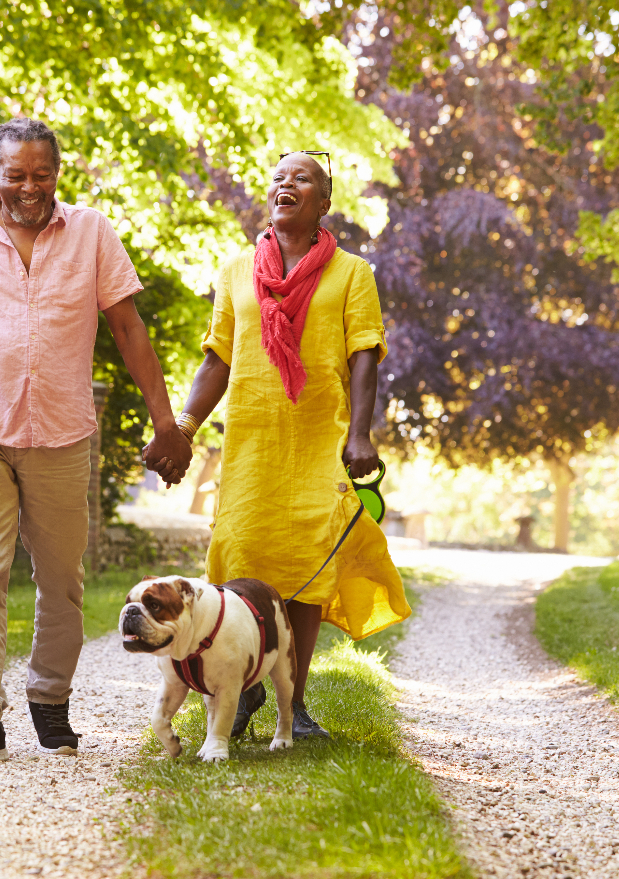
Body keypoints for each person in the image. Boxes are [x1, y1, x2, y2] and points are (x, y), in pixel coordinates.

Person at [0, 118, 192, 762]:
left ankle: (49, 699)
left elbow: (127, 328)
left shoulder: (91, 233)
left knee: (61, 578)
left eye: (42, 174)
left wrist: (164, 422)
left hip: (61, 431)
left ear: (57, 173)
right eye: (15, 175)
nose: (29, 187)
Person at [153, 151, 411, 739]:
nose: (285, 184)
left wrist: (361, 434)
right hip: (252, 443)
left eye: (303, 178)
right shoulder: (236, 270)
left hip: (321, 439)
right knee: (242, 560)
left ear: (324, 202)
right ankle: (238, 694)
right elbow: (218, 357)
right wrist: (185, 427)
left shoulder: (352, 274)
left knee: (305, 571)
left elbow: (364, 354)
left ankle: (292, 705)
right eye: (278, 177)